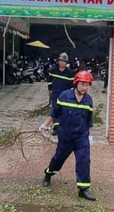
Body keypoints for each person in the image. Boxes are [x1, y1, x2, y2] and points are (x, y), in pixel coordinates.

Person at [39, 71, 96, 201]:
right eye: (82, 84)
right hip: (66, 135)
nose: (85, 88)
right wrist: (45, 124)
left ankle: (83, 189)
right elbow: (55, 112)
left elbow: (89, 120)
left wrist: (90, 136)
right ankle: (48, 173)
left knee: (84, 161)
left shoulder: (88, 100)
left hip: (81, 136)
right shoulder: (65, 96)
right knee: (58, 158)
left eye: (87, 85)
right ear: (76, 83)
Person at [46, 52, 75, 135]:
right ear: (58, 61)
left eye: (64, 61)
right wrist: (50, 90)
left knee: (64, 111)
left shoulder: (70, 73)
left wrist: (71, 95)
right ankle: (56, 128)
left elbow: (72, 85)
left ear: (66, 63)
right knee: (55, 110)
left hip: (65, 95)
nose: (62, 63)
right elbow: (49, 81)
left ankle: (63, 127)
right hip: (55, 94)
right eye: (61, 61)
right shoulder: (53, 71)